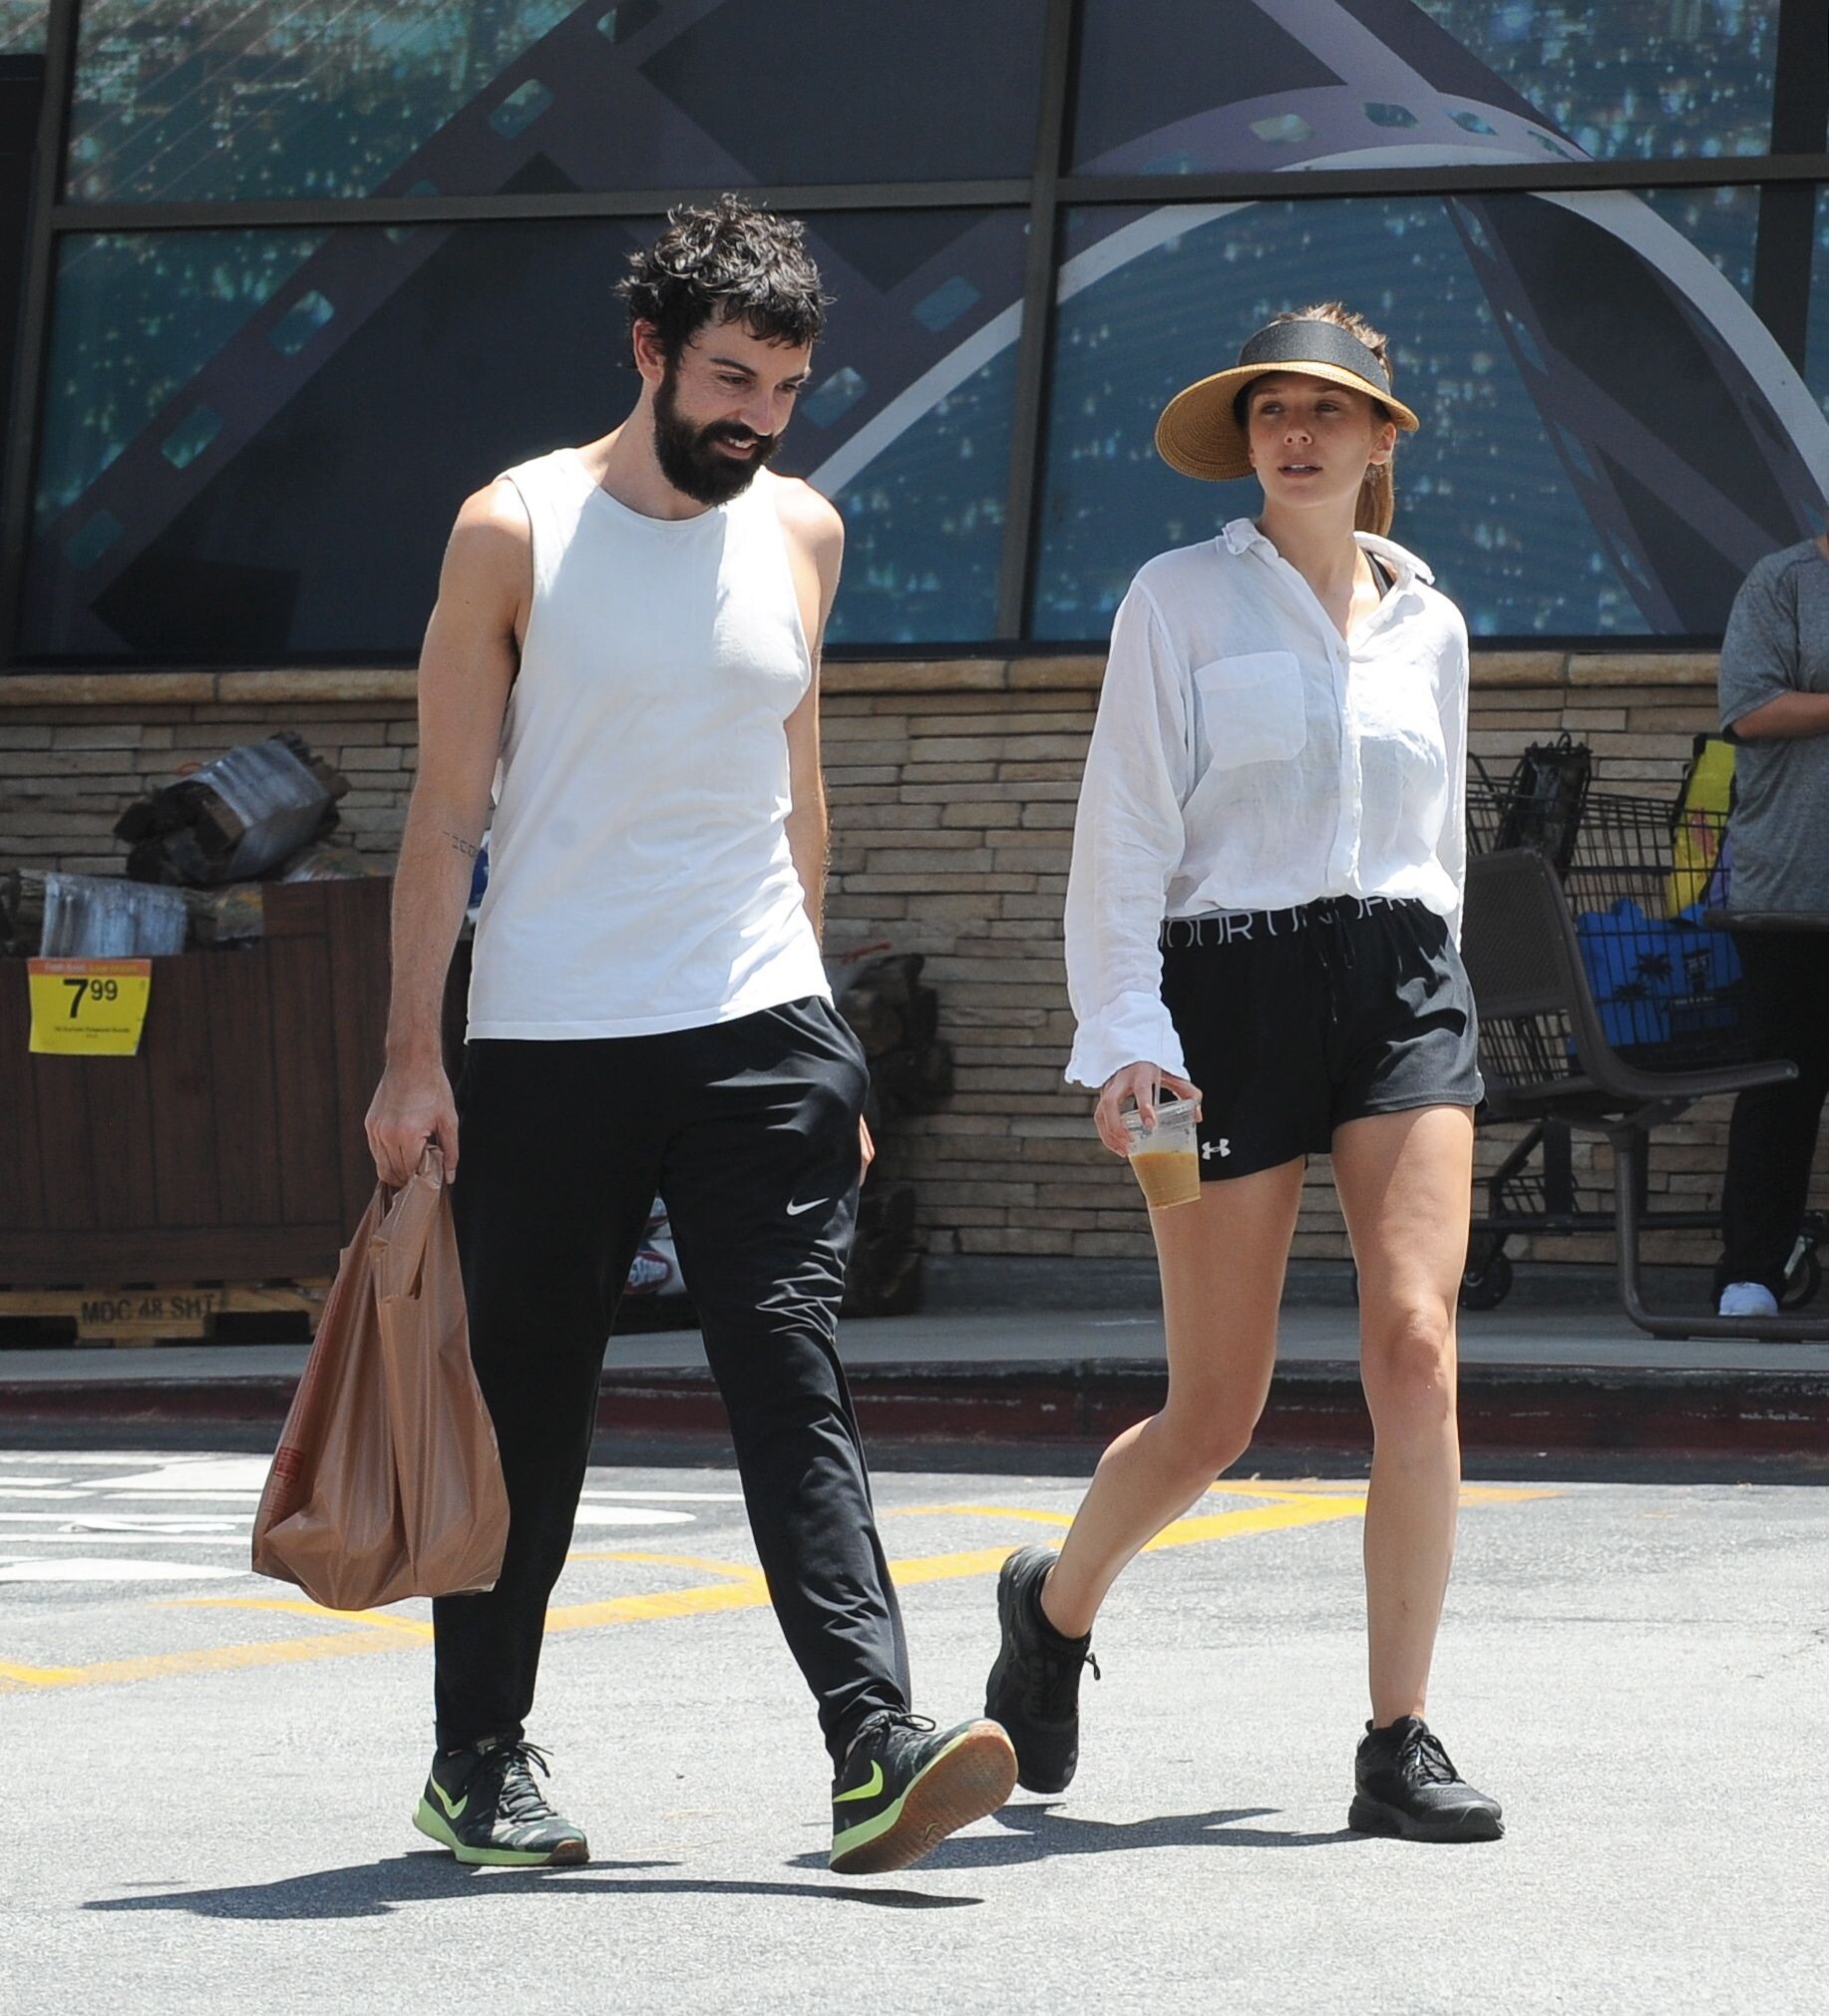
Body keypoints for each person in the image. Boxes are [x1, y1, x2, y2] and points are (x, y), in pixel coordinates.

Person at [366, 196, 1015, 1875]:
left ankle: (872, 1741)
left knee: (788, 1371)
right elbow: (444, 818)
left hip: (755, 1022)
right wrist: (413, 1057)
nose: (758, 418)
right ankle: (475, 1757)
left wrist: (828, 1036)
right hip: (552, 1029)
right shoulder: (511, 530)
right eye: (731, 379)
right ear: (648, 351)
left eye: (785, 389)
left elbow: (795, 793)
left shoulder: (801, 531)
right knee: (530, 1406)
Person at [985, 306, 1503, 1842]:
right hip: (1222, 996)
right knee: (1214, 1409)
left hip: (1402, 984)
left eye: (1327, 411)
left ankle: (1397, 1736)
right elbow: (1124, 835)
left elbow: (1435, 845)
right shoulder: (1177, 600)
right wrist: (1127, 1035)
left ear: (1379, 437)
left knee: (1415, 1345)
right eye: (1272, 410)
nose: (1295, 434)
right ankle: (1054, 1610)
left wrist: (1433, 975)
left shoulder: (1432, 622)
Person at [1713, 526, 1829, 1319]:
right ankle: (1751, 1272)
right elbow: (1750, 709)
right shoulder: (1782, 582)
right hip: (1790, 888)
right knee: (1784, 1084)